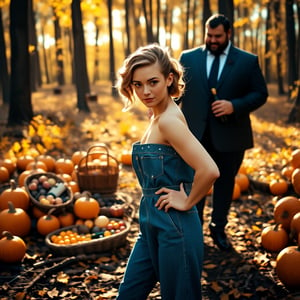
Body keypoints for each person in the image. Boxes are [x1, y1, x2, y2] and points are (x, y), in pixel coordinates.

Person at [115, 44, 219, 299]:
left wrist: (187, 202)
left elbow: (209, 170)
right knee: (128, 294)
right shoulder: (157, 116)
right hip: (150, 223)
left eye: (153, 82)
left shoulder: (169, 120)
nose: (145, 91)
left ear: (169, 78)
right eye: (137, 85)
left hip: (175, 227)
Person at [178, 14, 268, 251]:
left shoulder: (247, 61)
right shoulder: (187, 58)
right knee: (194, 182)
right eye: (209, 35)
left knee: (225, 183)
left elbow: (260, 93)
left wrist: (234, 106)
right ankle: (193, 231)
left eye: (217, 36)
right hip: (194, 135)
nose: (212, 40)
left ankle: (218, 229)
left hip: (231, 136)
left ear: (229, 34)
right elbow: (176, 92)